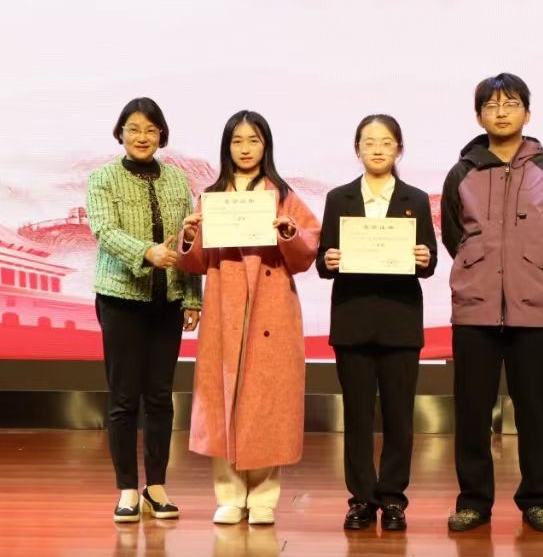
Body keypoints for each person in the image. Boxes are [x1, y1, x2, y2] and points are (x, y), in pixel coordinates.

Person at [441, 73, 543, 533]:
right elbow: (453, 235)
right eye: (491, 105)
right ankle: (473, 501)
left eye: (511, 103)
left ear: (528, 113)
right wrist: (479, 267)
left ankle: (537, 500)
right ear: (479, 116)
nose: (501, 112)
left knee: (535, 410)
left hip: (533, 307)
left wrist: (535, 266)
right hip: (475, 306)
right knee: (472, 410)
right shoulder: (462, 172)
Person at [176, 110, 320, 525]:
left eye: (253, 140)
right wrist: (190, 235)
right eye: (237, 141)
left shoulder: (283, 195)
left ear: (265, 146)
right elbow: (195, 263)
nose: (245, 148)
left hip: (271, 307)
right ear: (227, 147)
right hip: (225, 307)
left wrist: (288, 232)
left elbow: (307, 250)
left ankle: (263, 495)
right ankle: (229, 493)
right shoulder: (212, 196)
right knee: (223, 396)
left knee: (267, 399)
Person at [316, 114, 438, 531]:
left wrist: (424, 257)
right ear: (357, 149)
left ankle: (394, 498)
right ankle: (362, 499)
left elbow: (428, 262)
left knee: (399, 417)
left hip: (400, 322)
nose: (378, 149)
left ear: (398, 149)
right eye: (369, 142)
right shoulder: (339, 198)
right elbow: (323, 261)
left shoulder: (415, 199)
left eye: (386, 142)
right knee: (357, 417)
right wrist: (329, 259)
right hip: (353, 321)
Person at [85, 97, 202, 523]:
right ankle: (127, 490)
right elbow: (103, 229)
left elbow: (189, 243)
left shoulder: (177, 180)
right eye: (134, 129)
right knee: (123, 398)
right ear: (120, 133)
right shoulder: (102, 178)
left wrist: (193, 297)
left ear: (161, 136)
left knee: (160, 396)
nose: (142, 137)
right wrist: (146, 252)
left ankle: (156, 486)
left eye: (151, 130)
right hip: (120, 299)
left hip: (166, 301)